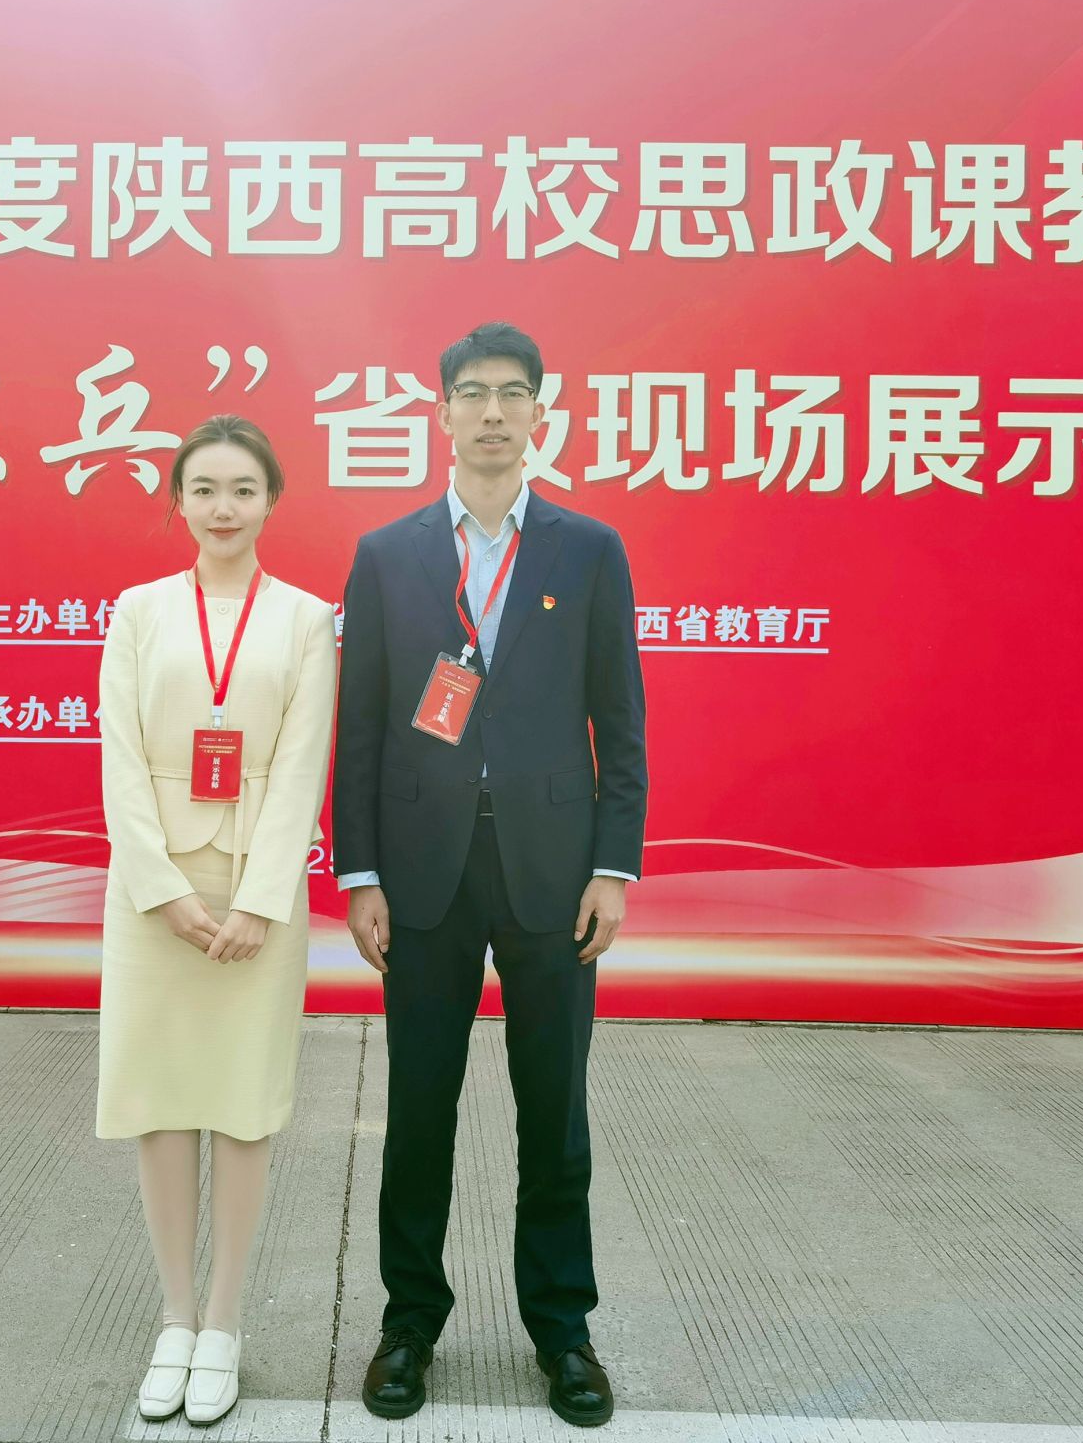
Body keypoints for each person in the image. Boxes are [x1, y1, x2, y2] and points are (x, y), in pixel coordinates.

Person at [333, 322, 647, 1429]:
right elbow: (362, 726)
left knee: (553, 1111)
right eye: (473, 393)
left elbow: (620, 717)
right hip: (422, 874)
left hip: (552, 876)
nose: (493, 413)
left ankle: (562, 1330)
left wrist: (612, 867)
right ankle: (408, 1323)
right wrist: (360, 871)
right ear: (443, 413)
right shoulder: (388, 554)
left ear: (539, 415)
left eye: (513, 394)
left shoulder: (586, 549)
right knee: (419, 1107)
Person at [95, 414, 338, 1426]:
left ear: (271, 499)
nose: (223, 507)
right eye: (204, 490)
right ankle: (175, 1319)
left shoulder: (305, 620)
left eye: (242, 489)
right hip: (152, 895)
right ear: (179, 502)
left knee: (241, 1106)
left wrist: (260, 900)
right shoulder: (139, 611)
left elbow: (302, 766)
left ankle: (225, 1324)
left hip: (254, 895)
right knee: (158, 1101)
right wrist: (161, 889)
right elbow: (117, 756)